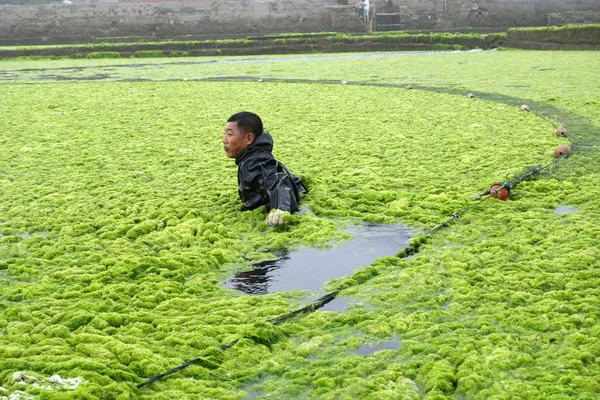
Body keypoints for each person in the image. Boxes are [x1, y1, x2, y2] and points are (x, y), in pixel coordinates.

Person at [222, 112, 306, 227]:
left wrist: (281, 208)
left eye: (230, 134)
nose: (224, 140)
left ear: (249, 138)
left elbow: (278, 180)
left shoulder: (253, 162)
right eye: (225, 134)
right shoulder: (260, 154)